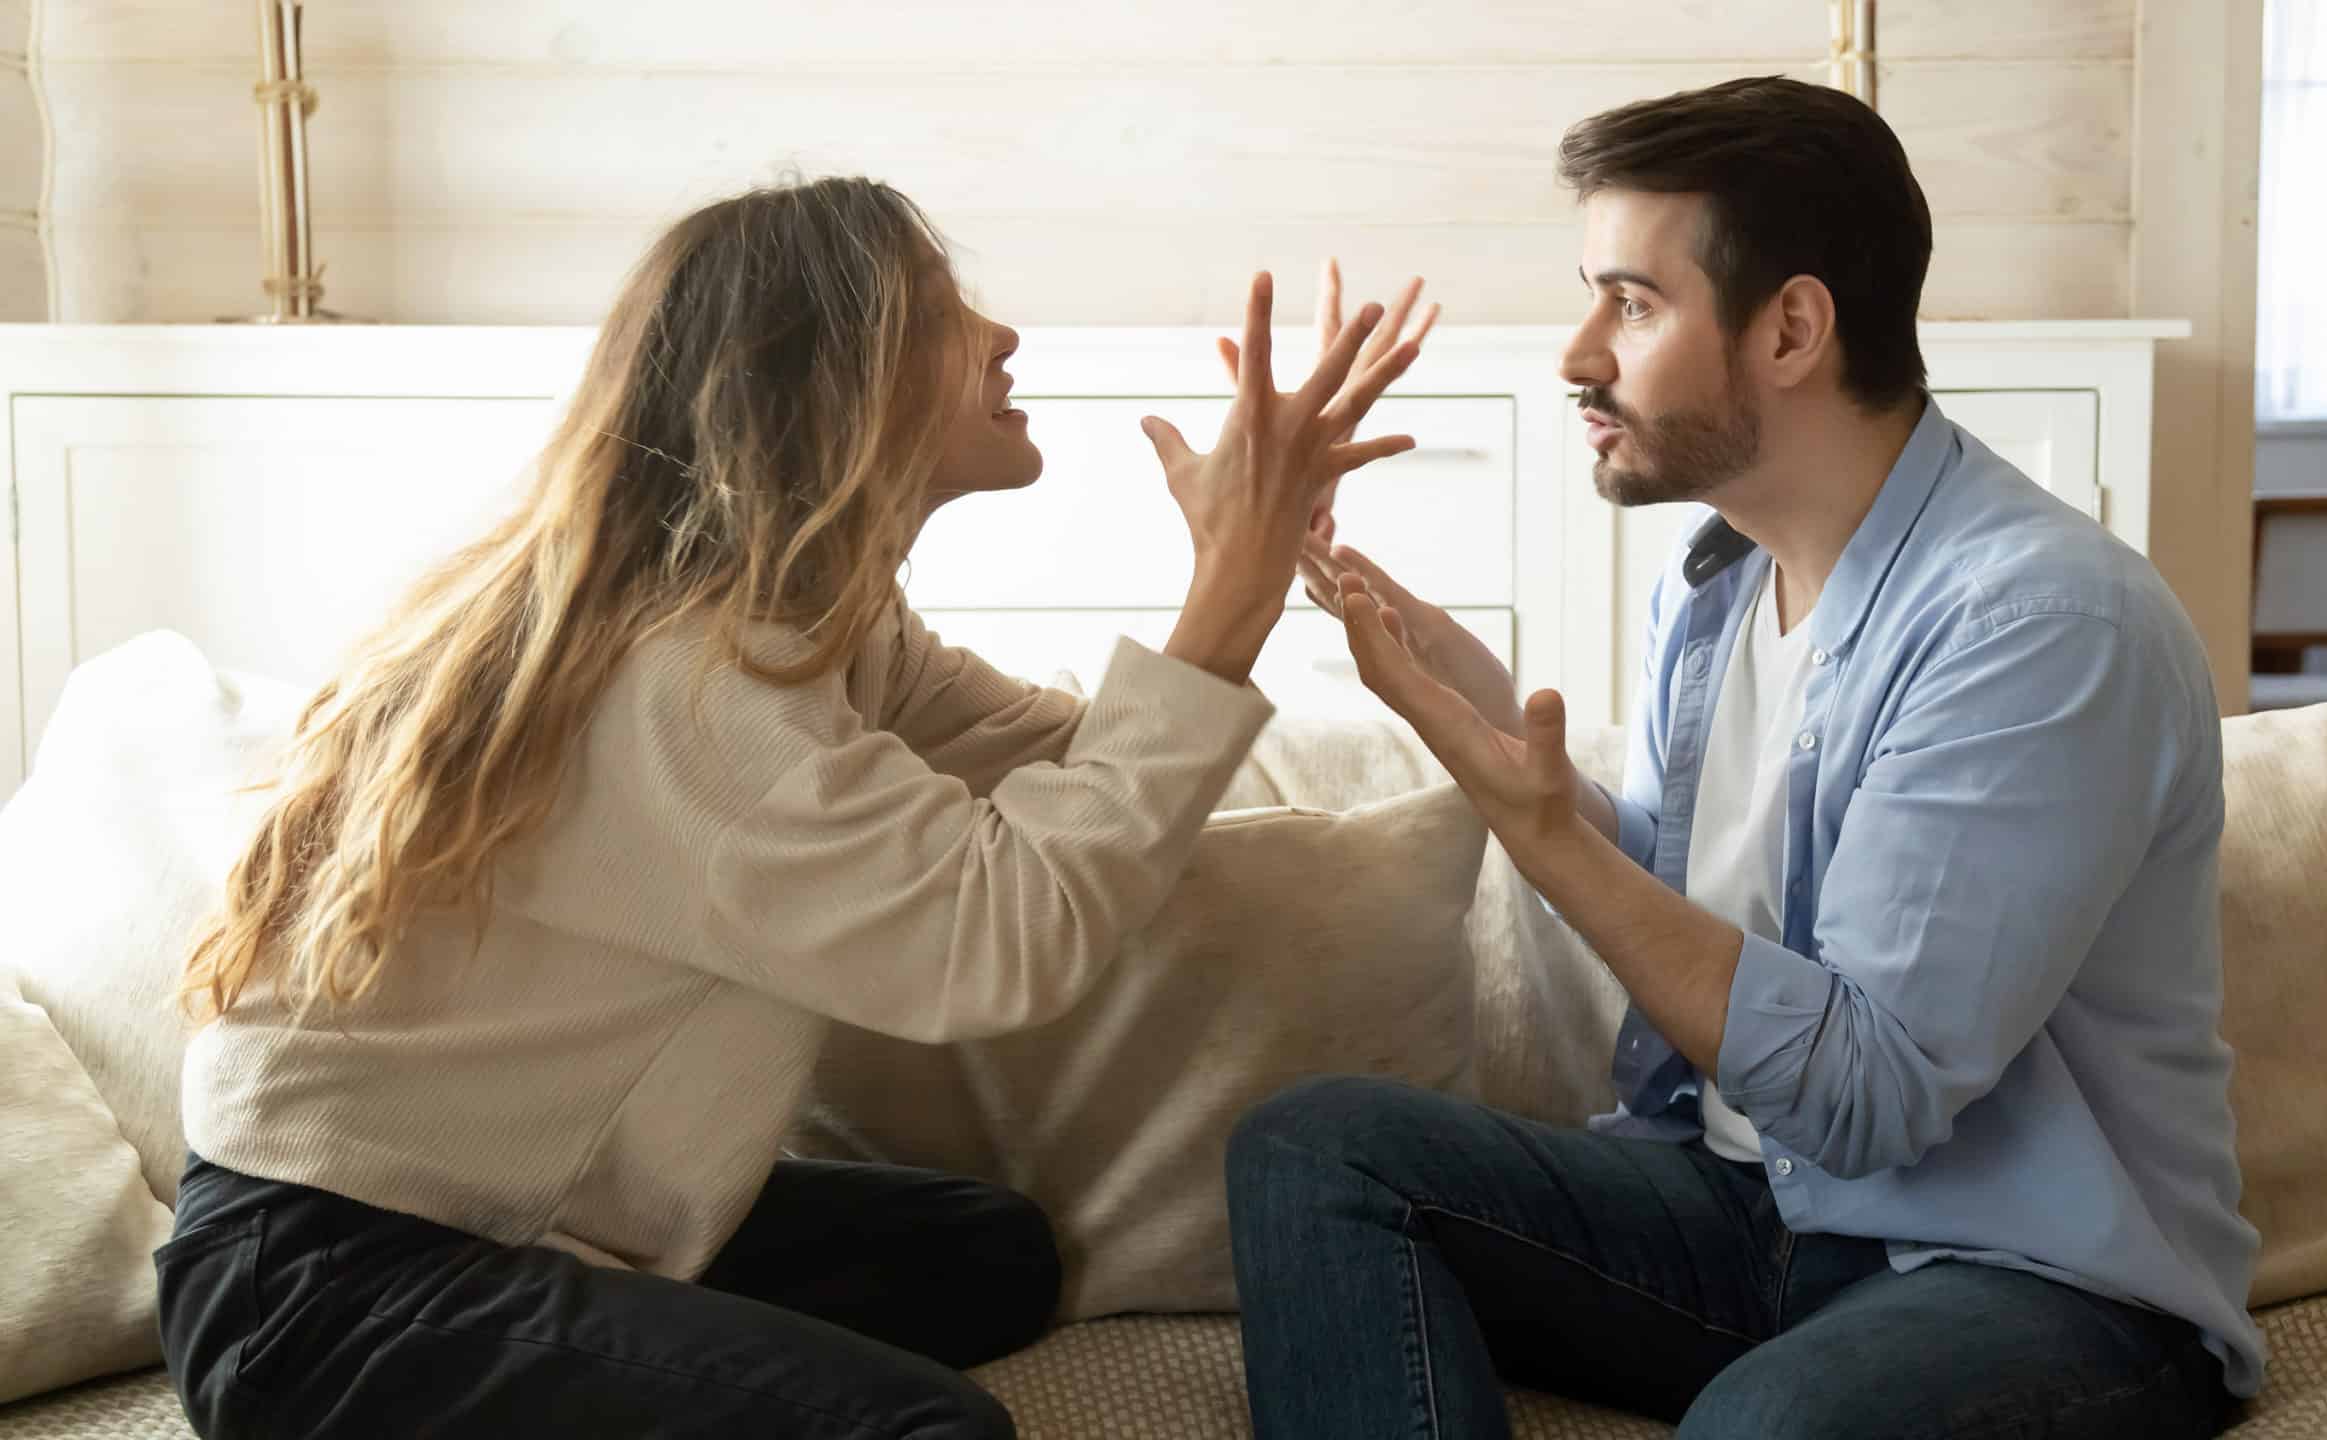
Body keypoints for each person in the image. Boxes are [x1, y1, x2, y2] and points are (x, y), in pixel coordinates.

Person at [153, 175, 1430, 1440]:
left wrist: (1255, 576)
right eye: (942, 313)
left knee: (993, 1259)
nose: (1002, 338)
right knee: (931, 1435)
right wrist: (1226, 595)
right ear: (828, 381)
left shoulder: (813, 629)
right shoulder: (684, 689)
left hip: (502, 1216)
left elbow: (1092, 774)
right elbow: (995, 942)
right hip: (328, 1292)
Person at [1234, 77, 2267, 1439]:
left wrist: (1537, 832)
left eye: (1633, 304)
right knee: (1315, 1151)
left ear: (1790, 327)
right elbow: (1683, 914)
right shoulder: (1717, 581)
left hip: (2023, 1275)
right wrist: (1473, 724)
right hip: (1749, 1208)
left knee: (1771, 1430)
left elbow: (1871, 1094)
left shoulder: (2039, 623)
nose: (1575, 354)